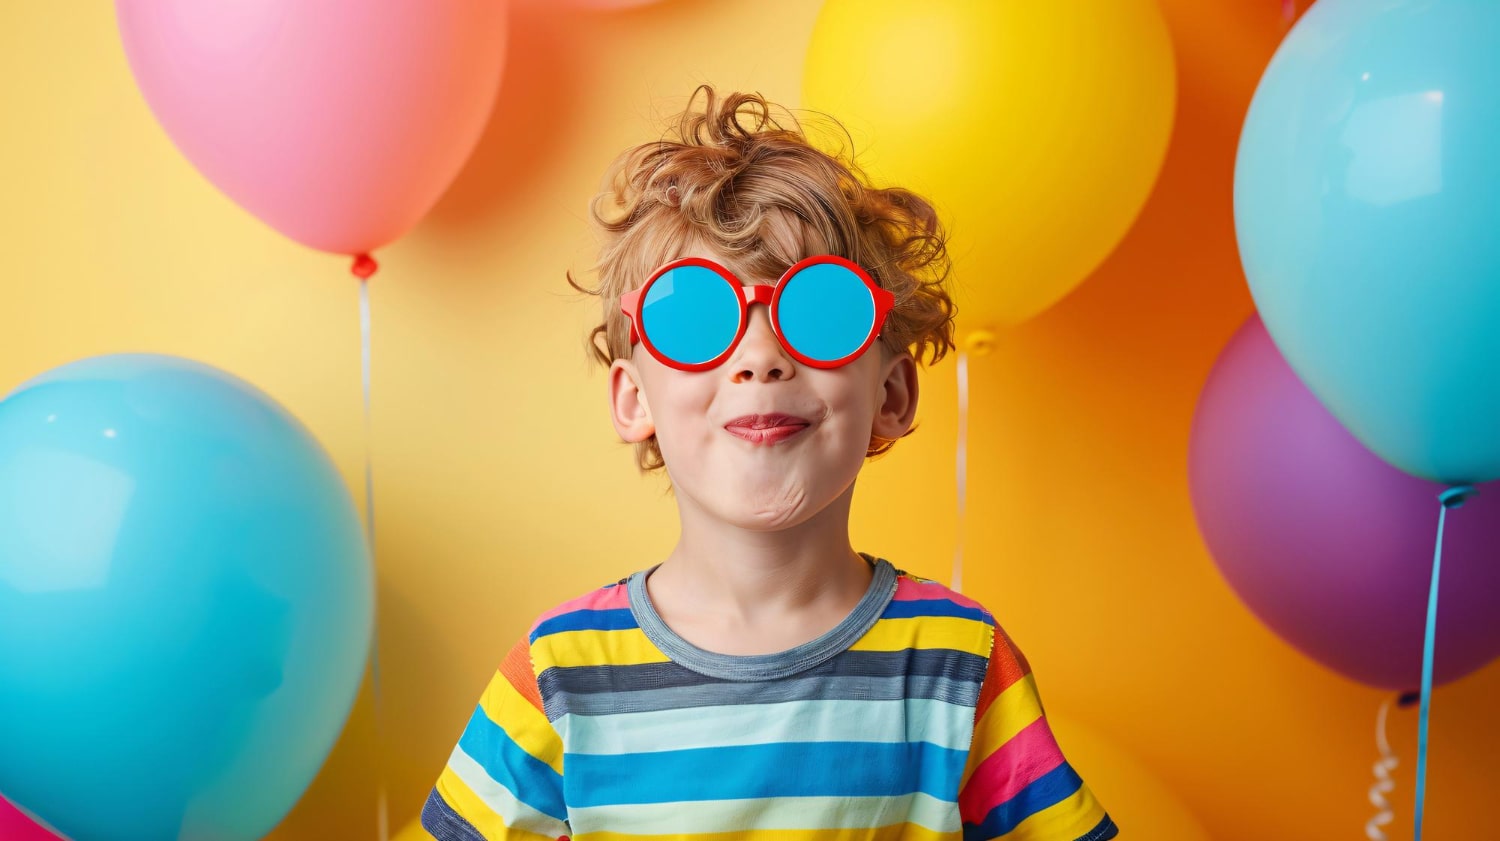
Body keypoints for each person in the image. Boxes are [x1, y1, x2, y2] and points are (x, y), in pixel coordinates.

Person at [420, 85, 1117, 841]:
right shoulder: (559, 677)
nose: (759, 356)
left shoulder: (960, 663)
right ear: (634, 400)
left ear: (892, 392)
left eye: (821, 312)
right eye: (693, 316)